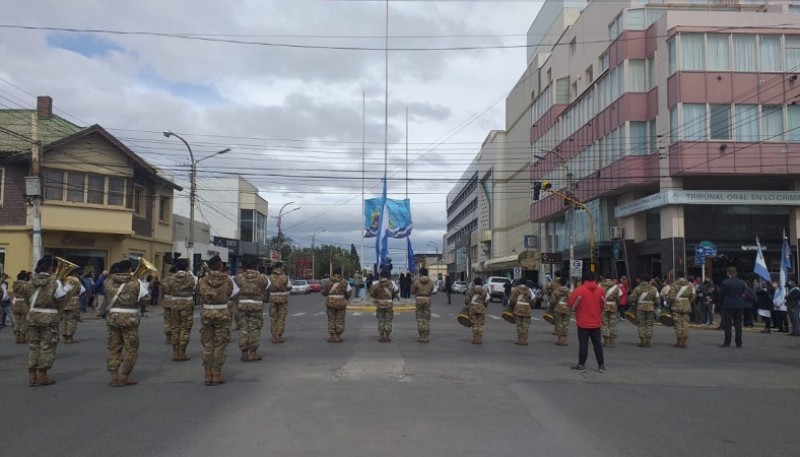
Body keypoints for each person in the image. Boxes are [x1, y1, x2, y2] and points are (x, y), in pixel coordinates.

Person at [23, 257, 75, 386]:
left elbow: (26, 300)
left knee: (33, 346)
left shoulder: (29, 283)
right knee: (47, 347)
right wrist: (66, 291)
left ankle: (32, 376)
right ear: (50, 269)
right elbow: (60, 300)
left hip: (32, 316)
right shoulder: (55, 283)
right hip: (49, 318)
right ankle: (42, 376)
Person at [104, 260, 150, 387]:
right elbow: (146, 299)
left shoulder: (108, 281)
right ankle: (125, 376)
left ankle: (113, 377)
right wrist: (135, 303)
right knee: (131, 348)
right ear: (129, 269)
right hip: (129, 318)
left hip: (112, 317)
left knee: (114, 347)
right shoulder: (136, 282)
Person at [197, 256, 239, 386]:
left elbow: (199, 293)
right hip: (222, 313)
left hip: (206, 313)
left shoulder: (202, 280)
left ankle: (207, 374)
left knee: (207, 344)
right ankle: (216, 375)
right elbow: (233, 294)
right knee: (220, 344)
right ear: (220, 266)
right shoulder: (227, 280)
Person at [568, 272, 605, 373]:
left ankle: (581, 364)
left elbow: (570, 303)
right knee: (597, 344)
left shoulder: (579, 290)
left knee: (583, 344)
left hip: (583, 321)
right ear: (595, 279)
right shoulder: (600, 291)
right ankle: (601, 365)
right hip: (596, 321)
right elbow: (603, 304)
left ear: (584, 279)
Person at [160, 260, 196, 362]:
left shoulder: (171, 278)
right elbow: (193, 286)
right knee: (185, 328)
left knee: (175, 327)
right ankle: (182, 352)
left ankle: (175, 352)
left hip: (174, 304)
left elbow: (167, 287)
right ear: (187, 268)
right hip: (187, 304)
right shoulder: (190, 277)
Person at [236, 261, 271, 361]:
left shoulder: (239, 277)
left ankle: (244, 353)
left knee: (244, 328)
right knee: (254, 329)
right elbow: (268, 287)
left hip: (242, 305)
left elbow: (234, 289)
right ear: (256, 266)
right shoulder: (262, 277)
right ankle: (253, 353)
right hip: (256, 305)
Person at [321, 267, 352, 342]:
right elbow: (349, 291)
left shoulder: (328, 281)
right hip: (341, 302)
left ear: (333, 273)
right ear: (340, 273)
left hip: (330, 303)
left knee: (331, 319)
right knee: (340, 319)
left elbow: (324, 292)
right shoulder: (344, 282)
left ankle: (332, 336)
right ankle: (338, 336)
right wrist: (346, 298)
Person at [718, 266, 746, 348]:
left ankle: (727, 342)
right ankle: (739, 342)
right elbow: (742, 292)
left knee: (728, 324)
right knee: (738, 325)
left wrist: (720, 303)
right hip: (739, 304)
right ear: (736, 273)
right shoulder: (742, 283)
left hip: (728, 305)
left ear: (728, 273)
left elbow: (721, 295)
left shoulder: (725, 283)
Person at [368, 270, 399, 342]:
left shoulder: (376, 284)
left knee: (381, 320)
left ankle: (382, 336)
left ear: (380, 276)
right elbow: (397, 291)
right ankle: (387, 336)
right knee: (388, 320)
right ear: (388, 276)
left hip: (380, 304)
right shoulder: (392, 283)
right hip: (389, 304)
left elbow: (372, 294)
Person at [667, 273, 694, 348]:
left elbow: (671, 297)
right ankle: (685, 342)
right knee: (685, 323)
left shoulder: (674, 284)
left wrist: (671, 302)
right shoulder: (690, 285)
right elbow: (693, 296)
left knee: (677, 323)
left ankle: (679, 341)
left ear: (677, 276)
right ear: (685, 276)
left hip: (676, 306)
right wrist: (688, 302)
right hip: (686, 306)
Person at [631, 274, 659, 348]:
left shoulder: (637, 288)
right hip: (650, 308)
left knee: (641, 324)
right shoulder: (654, 289)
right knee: (649, 324)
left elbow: (632, 299)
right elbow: (658, 300)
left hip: (640, 308)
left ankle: (642, 341)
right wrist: (653, 306)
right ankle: (648, 341)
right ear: (650, 280)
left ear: (641, 280)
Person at [60, 270, 85, 344]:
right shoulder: (76, 280)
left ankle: (64, 336)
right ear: (74, 273)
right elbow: (83, 290)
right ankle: (70, 337)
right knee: (72, 320)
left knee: (64, 320)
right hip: (74, 303)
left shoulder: (62, 280)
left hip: (63, 303)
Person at [267, 261, 289, 344]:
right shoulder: (285, 277)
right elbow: (289, 287)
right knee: (281, 318)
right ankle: (279, 336)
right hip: (283, 299)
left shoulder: (270, 277)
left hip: (272, 299)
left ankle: (273, 337)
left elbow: (267, 287)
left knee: (273, 318)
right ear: (281, 267)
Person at [411, 268, 434, 343]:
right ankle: (426, 336)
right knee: (426, 318)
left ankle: (421, 335)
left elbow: (413, 291)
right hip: (427, 300)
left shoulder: (417, 281)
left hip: (419, 300)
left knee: (420, 318)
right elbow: (432, 290)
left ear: (420, 273)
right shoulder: (430, 282)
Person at [509, 280, 534, 346]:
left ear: (519, 283)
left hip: (518, 308)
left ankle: (520, 340)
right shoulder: (529, 290)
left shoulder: (516, 289)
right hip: (526, 308)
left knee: (519, 325)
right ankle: (525, 340)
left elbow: (512, 300)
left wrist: (512, 305)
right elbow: (533, 299)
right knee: (525, 325)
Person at [464, 277, 489, 344]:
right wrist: (485, 306)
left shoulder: (470, 290)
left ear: (474, 283)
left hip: (472, 308)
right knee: (480, 324)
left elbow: (466, 300)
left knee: (474, 323)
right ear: (481, 283)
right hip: (481, 308)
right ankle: (480, 339)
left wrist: (467, 304)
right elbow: (486, 301)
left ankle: (475, 338)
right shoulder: (484, 291)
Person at [600, 278, 621, 348]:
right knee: (613, 323)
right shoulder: (616, 287)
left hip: (604, 306)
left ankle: (606, 340)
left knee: (605, 323)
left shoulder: (601, 285)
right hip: (613, 306)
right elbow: (618, 298)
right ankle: (612, 341)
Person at [11, 270, 31, 344]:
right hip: (24, 304)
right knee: (24, 321)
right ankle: (22, 337)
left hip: (16, 303)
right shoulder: (26, 285)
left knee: (17, 322)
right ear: (25, 278)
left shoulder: (14, 285)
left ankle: (17, 337)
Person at [551, 277, 571, 346]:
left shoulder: (556, 291)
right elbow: (572, 299)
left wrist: (552, 306)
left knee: (559, 324)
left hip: (558, 307)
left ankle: (559, 340)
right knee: (565, 324)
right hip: (567, 308)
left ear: (559, 283)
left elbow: (553, 301)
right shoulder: (569, 291)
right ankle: (564, 340)